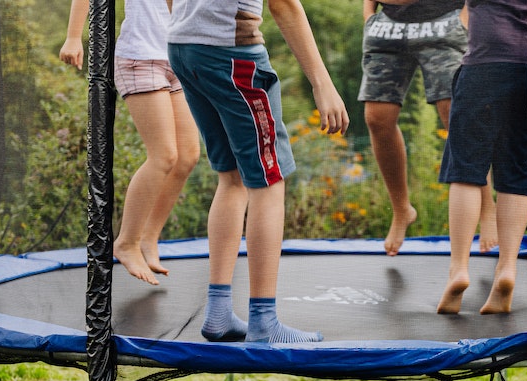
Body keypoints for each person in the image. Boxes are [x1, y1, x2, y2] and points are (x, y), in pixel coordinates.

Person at [167, 0, 350, 343]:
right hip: (232, 54)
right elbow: (284, 5)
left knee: (232, 176)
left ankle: (219, 312)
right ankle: (264, 321)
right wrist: (322, 83)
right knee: (269, 180)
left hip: (183, 47)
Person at [60, 0, 200, 286]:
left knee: (188, 156)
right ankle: (126, 242)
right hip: (141, 57)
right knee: (164, 156)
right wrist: (74, 37)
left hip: (178, 56)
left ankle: (148, 238)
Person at [437, 0, 527, 315]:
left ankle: (459, 269)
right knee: (517, 170)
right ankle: (507, 269)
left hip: (487, 58)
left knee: (464, 168)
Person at [359, 0, 498, 256]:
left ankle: (487, 207)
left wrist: (466, 15)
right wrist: (369, 14)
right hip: (387, 25)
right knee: (377, 118)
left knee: (454, 113)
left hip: (443, 20)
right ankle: (402, 210)